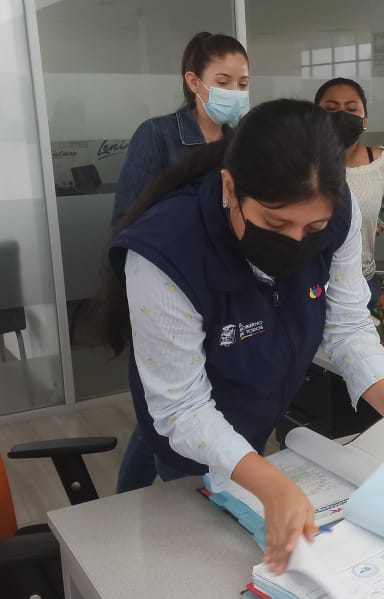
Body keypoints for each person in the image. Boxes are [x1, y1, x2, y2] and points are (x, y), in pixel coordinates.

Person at [102, 99, 384, 573]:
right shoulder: (166, 251)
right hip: (192, 439)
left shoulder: (339, 214)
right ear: (231, 188)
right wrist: (270, 484)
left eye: (313, 227)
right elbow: (181, 408)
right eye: (276, 224)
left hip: (262, 413)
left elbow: (348, 327)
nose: (298, 241)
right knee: (204, 559)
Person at [113, 32, 249, 493]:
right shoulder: (157, 136)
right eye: (223, 81)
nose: (235, 92)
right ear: (194, 81)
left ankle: (125, 502)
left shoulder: (243, 144)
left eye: (243, 83)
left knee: (174, 406)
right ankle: (145, 503)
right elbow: (127, 221)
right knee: (169, 406)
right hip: (166, 291)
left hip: (222, 292)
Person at [314, 78, 384, 308]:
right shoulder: (300, 162)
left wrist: (377, 226)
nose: (341, 115)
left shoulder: (380, 162)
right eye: (331, 109)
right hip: (308, 282)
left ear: (364, 120)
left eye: (351, 109)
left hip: (360, 282)